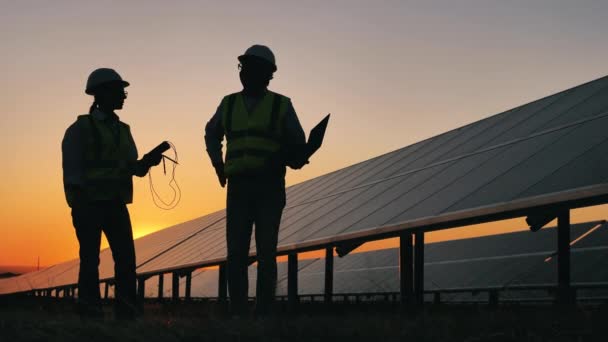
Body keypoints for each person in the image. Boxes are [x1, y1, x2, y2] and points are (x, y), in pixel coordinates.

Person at [205, 45, 308, 316]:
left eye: (252, 68)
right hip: (238, 186)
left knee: (266, 251)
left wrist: (291, 156)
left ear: (268, 74)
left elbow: (297, 143)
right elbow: (211, 133)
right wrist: (218, 164)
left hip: (269, 186)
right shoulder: (228, 103)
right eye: (244, 67)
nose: (246, 73)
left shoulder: (281, 105)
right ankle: (238, 311)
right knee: (236, 252)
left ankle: (263, 310)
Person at [62, 68, 162, 319]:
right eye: (119, 91)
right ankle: (90, 314)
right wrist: (81, 204)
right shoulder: (80, 129)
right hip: (89, 205)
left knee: (126, 261)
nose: (124, 96)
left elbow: (132, 169)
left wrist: (147, 162)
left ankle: (126, 315)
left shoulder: (124, 130)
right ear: (102, 93)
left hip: (116, 205)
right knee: (90, 262)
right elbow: (73, 172)